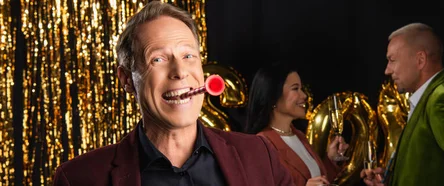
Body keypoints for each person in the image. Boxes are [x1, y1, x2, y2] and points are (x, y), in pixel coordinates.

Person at [52, 2, 294, 186]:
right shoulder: (78, 178)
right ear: (127, 80)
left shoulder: (259, 156)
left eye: (188, 56)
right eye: (158, 59)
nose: (180, 72)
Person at [360, 23, 444, 186]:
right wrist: (392, 179)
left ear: (420, 60)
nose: (387, 70)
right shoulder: (429, 97)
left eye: (392, 60)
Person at [244, 62, 350, 186]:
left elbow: (319, 181)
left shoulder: (298, 135)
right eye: (295, 89)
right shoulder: (262, 143)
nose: (304, 95)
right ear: (273, 96)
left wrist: (331, 159)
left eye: (301, 88)